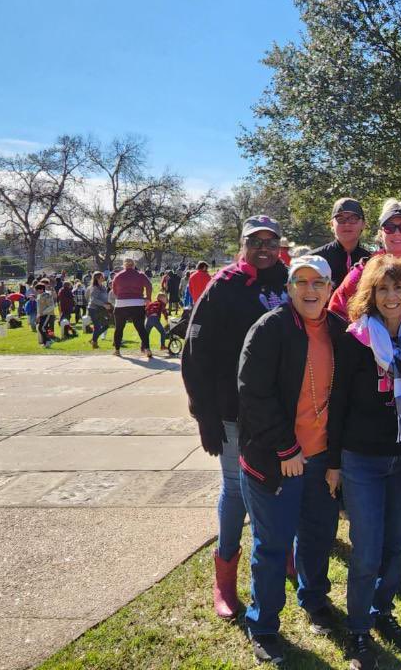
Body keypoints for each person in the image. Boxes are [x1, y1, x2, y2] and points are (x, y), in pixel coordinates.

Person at [236, 254, 346, 664]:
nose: (310, 289)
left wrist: (333, 459)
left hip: (321, 460)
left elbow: (345, 400)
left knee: (318, 536)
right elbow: (253, 393)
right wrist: (287, 448)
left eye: (318, 282)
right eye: (301, 281)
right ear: (289, 287)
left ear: (331, 287)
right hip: (274, 459)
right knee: (273, 545)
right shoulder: (269, 329)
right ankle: (263, 624)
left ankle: (315, 600)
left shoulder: (338, 331)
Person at [181, 215, 290, 625]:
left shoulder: (290, 280)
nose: (263, 247)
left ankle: (287, 557)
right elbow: (195, 352)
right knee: (237, 489)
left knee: (284, 484)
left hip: (281, 410)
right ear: (242, 244)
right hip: (231, 410)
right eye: (255, 240)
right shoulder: (222, 286)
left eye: (271, 241)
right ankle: (225, 574)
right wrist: (203, 413)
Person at [330, 256, 401, 669]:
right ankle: (357, 630)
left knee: (395, 544)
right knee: (367, 549)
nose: (391, 296)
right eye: (383, 288)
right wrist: (333, 461)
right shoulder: (354, 341)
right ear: (370, 294)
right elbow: (337, 406)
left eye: (399, 288)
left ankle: (382, 611)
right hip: (362, 460)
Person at [330, 199, 401, 319]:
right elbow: (336, 310)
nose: (397, 233)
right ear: (381, 233)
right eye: (390, 228)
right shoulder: (364, 269)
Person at [311, 197, 372, 288]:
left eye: (353, 219)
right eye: (340, 219)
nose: (347, 224)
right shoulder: (314, 260)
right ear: (332, 224)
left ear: (363, 224)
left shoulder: (371, 261)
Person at [110, 258, 153, 359]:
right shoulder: (140, 274)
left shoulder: (118, 276)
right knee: (141, 328)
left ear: (124, 265)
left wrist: (120, 297)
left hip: (121, 304)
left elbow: (114, 290)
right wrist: (148, 298)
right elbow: (149, 285)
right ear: (134, 265)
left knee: (119, 328)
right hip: (137, 303)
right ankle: (147, 349)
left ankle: (117, 350)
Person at [87, 272, 112, 348]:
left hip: (101, 309)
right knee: (97, 326)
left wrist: (108, 303)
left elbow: (105, 297)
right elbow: (93, 299)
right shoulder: (95, 287)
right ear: (97, 278)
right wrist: (104, 304)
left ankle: (93, 339)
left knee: (106, 325)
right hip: (93, 309)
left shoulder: (103, 286)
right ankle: (94, 343)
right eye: (102, 277)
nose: (103, 278)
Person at [36, 281, 56, 347]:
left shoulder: (47, 295)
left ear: (42, 289)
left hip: (48, 314)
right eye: (37, 289)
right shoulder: (39, 296)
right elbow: (39, 307)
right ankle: (45, 342)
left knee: (41, 328)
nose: (38, 291)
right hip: (42, 315)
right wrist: (38, 315)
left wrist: (43, 313)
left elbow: (51, 306)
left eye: (39, 289)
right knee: (41, 328)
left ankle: (49, 341)